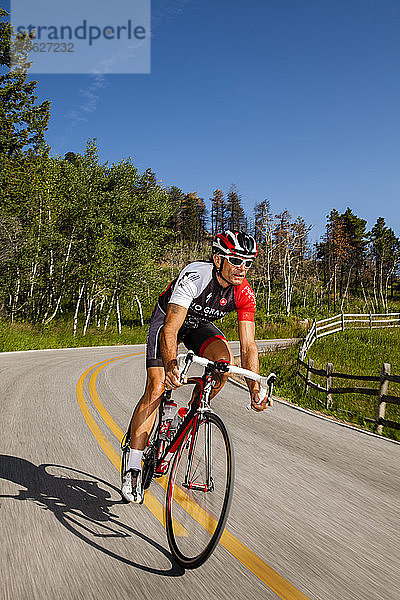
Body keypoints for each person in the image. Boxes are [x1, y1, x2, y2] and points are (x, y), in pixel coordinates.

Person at [121, 230, 270, 503]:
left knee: (225, 365)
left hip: (198, 328)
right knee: (156, 388)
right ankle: (133, 464)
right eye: (236, 261)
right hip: (168, 321)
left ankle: (190, 413)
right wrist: (170, 365)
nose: (243, 269)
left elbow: (248, 346)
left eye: (248, 263)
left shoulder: (244, 293)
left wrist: (254, 388)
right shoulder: (196, 276)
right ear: (218, 259)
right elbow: (171, 329)